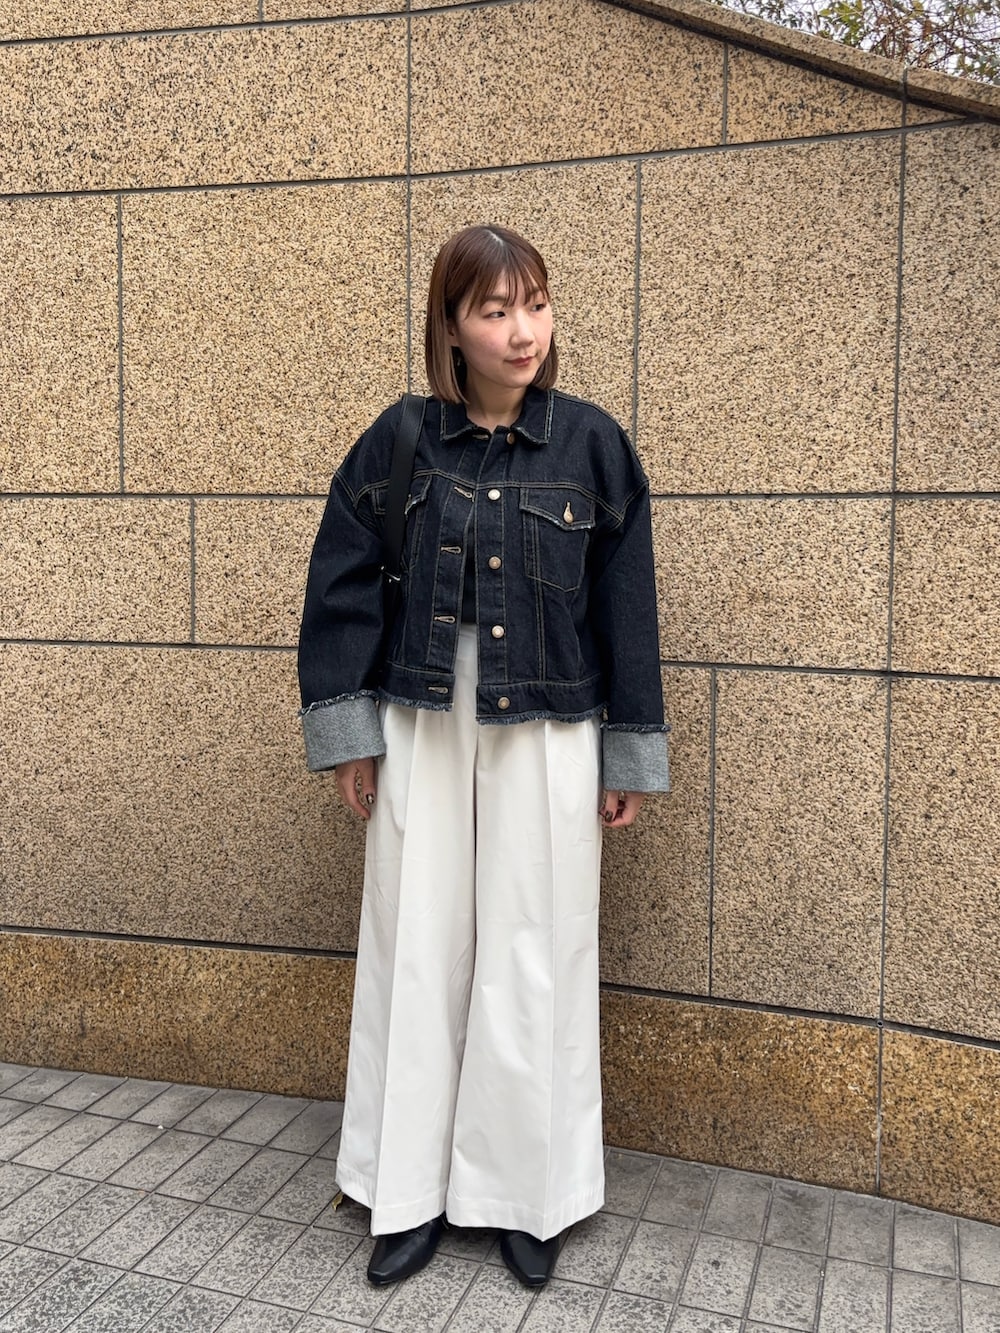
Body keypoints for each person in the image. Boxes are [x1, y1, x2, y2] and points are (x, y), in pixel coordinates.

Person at [297, 224, 669, 1289]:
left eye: (536, 304)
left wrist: (627, 753)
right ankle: (403, 1190)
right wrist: (351, 733)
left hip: (551, 722)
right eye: (496, 310)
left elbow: (627, 607)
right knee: (415, 942)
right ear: (450, 325)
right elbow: (343, 577)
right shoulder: (400, 439)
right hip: (424, 713)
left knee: (534, 947)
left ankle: (525, 1196)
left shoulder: (592, 444)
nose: (522, 331)